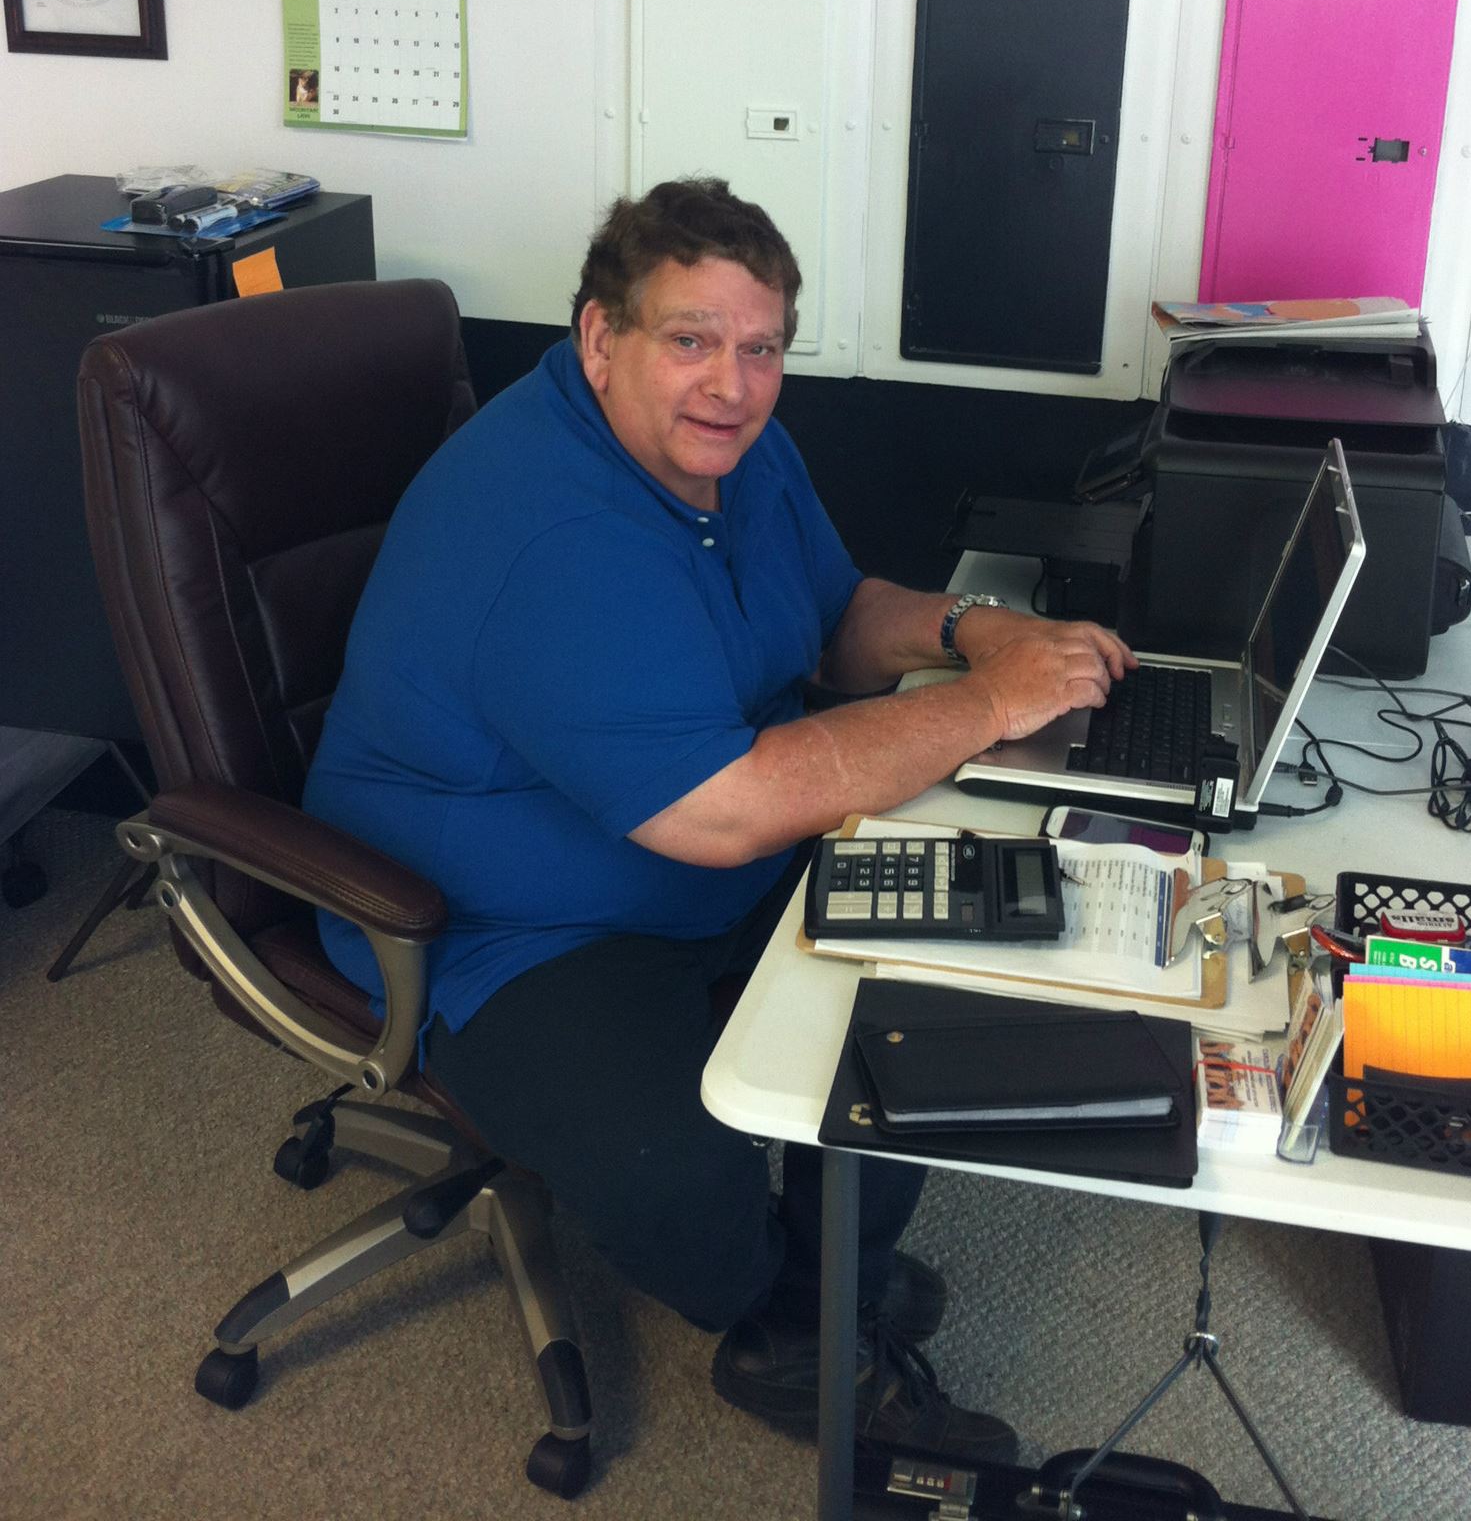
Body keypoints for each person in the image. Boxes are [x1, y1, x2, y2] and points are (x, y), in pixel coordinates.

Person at [304, 177, 1133, 1463]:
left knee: (927, 972)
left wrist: (985, 630)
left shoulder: (731, 451)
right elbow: (725, 811)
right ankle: (784, 1324)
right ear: (601, 337)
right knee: (677, 1169)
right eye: (690, 338)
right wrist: (988, 702)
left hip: (691, 857)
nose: (732, 384)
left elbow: (839, 613)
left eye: (761, 348)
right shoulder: (549, 520)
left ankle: (824, 1286)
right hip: (497, 921)